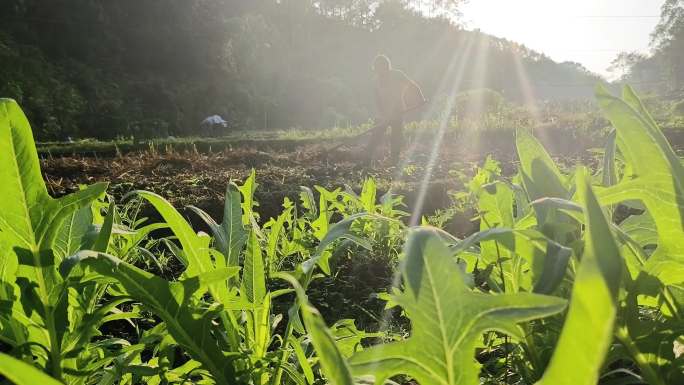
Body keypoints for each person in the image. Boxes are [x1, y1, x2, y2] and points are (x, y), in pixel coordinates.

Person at [367, 54, 425, 164]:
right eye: (378, 69)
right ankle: (366, 160)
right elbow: (377, 101)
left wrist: (420, 99)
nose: (380, 72)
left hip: (398, 111)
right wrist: (383, 115)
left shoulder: (397, 75)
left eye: (382, 68)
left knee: (396, 138)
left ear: (387, 67)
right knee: (375, 137)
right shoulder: (376, 81)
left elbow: (412, 86)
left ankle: (394, 162)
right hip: (383, 114)